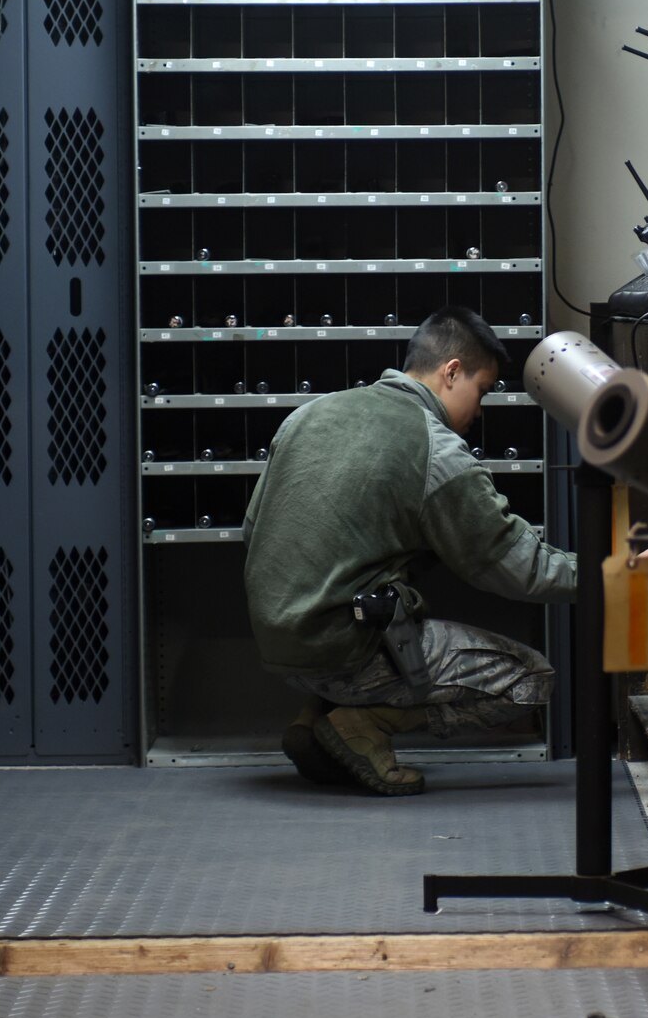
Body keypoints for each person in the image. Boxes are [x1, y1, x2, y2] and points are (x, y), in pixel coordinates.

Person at [241, 306, 577, 795]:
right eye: (481, 392)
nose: (479, 412)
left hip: (278, 646)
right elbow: (517, 566)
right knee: (530, 678)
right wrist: (615, 574)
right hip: (342, 655)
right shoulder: (434, 446)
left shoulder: (308, 415)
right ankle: (363, 726)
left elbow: (255, 530)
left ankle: (313, 719)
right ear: (452, 372)